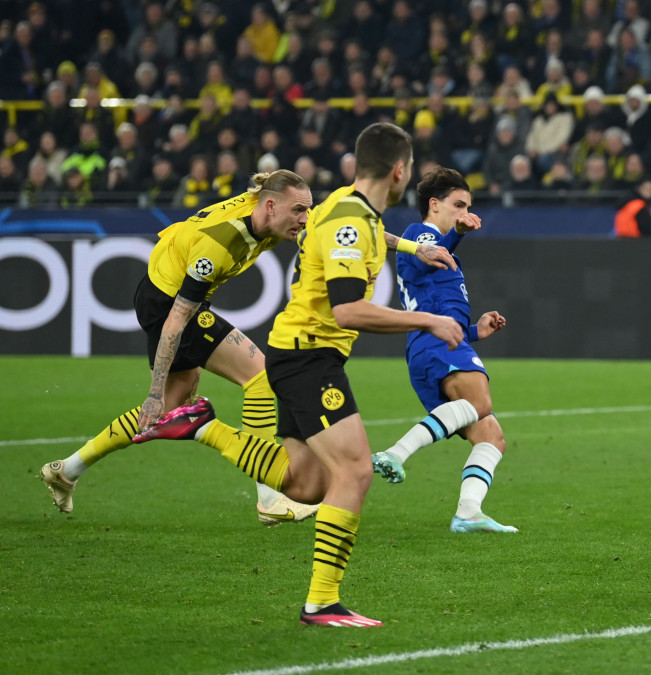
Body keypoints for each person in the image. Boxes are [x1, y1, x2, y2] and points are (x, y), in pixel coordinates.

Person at [133, 123, 465, 626]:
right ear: (400, 171)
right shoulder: (350, 219)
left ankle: (200, 424)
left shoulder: (341, 208)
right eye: (410, 168)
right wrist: (429, 319)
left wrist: (414, 248)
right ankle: (323, 603)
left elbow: (364, 234)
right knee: (352, 472)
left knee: (306, 484)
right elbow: (349, 310)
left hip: (296, 353)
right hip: (310, 355)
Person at [40, 170, 320, 525]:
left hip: (165, 287)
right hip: (168, 304)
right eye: (298, 210)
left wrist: (406, 246)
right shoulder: (218, 246)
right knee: (261, 376)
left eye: (307, 210)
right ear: (269, 205)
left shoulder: (268, 211)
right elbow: (175, 320)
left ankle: (66, 470)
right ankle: (270, 497)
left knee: (169, 408)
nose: (305, 219)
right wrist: (154, 390)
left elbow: (337, 233)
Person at [371, 167, 519, 534]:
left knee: (491, 436)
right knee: (481, 402)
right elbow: (429, 252)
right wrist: (458, 232)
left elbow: (438, 304)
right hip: (435, 344)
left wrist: (476, 331)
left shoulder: (441, 247)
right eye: (458, 204)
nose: (464, 211)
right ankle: (395, 453)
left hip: (439, 345)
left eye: (468, 206)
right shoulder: (419, 235)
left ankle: (468, 512)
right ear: (434, 204)